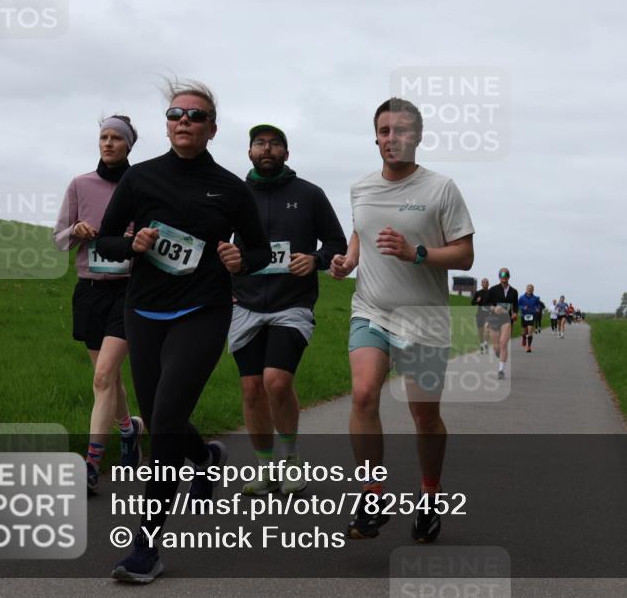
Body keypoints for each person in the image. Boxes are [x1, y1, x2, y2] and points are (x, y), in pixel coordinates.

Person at [97, 81, 271, 584]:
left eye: (195, 116)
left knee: (167, 418)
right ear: (167, 123)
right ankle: (205, 455)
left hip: (203, 310)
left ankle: (146, 545)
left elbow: (258, 251)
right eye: (176, 114)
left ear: (212, 129)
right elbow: (107, 241)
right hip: (144, 312)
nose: (184, 122)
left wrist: (243, 259)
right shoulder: (141, 179)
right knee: (159, 419)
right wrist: (132, 243)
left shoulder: (230, 188)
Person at [330, 97, 474, 545]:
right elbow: (361, 232)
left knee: (424, 415)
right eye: (385, 131)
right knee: (363, 394)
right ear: (376, 137)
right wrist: (347, 260)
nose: (392, 138)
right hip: (371, 309)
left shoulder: (441, 189)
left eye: (402, 131)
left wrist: (418, 253)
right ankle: (372, 497)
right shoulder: (360, 188)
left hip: (424, 318)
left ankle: (429, 498)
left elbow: (465, 254)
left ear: (418, 137)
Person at [230, 123, 346, 497]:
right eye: (260, 143)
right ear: (249, 152)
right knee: (251, 389)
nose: (267, 149)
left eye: (275, 144)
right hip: (244, 304)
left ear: (286, 154)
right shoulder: (235, 194)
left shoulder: (309, 194)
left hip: (291, 304)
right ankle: (264, 466)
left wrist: (315, 259)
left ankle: (290, 459)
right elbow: (215, 244)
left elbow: (336, 243)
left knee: (276, 381)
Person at [53, 115, 143, 495]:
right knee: (108, 378)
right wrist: (75, 230)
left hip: (129, 290)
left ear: (128, 145)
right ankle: (129, 430)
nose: (108, 143)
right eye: (103, 137)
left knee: (104, 376)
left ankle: (90, 467)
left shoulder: (143, 185)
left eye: (115, 138)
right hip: (89, 289)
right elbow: (58, 239)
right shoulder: (80, 185)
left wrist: (135, 238)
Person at [485, 269, 518, 377]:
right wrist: (493, 308)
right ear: (499, 276)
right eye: (502, 275)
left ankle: (501, 370)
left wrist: (515, 313)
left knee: (503, 343)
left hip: (506, 319)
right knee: (496, 347)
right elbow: (486, 304)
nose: (504, 277)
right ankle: (497, 351)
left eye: (506, 275)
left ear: (509, 276)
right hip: (494, 318)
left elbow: (515, 306)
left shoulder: (514, 291)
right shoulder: (493, 290)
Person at [517, 284, 541, 353]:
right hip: (524, 316)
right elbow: (518, 305)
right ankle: (524, 338)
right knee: (524, 332)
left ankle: (529, 346)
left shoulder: (536, 298)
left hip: (531, 315)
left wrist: (537, 309)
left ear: (533, 290)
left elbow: (538, 305)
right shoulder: (521, 297)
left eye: (531, 288)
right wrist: (523, 307)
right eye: (528, 288)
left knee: (530, 330)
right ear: (526, 289)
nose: (529, 289)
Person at [471, 277, 491, 354]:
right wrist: (477, 301)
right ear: (481, 284)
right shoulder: (478, 293)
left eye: (486, 282)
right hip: (480, 314)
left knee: (487, 327)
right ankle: (482, 345)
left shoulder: (491, 293)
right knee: (480, 331)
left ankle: (486, 343)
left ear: (488, 284)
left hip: (489, 314)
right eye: (484, 282)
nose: (485, 283)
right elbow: (472, 303)